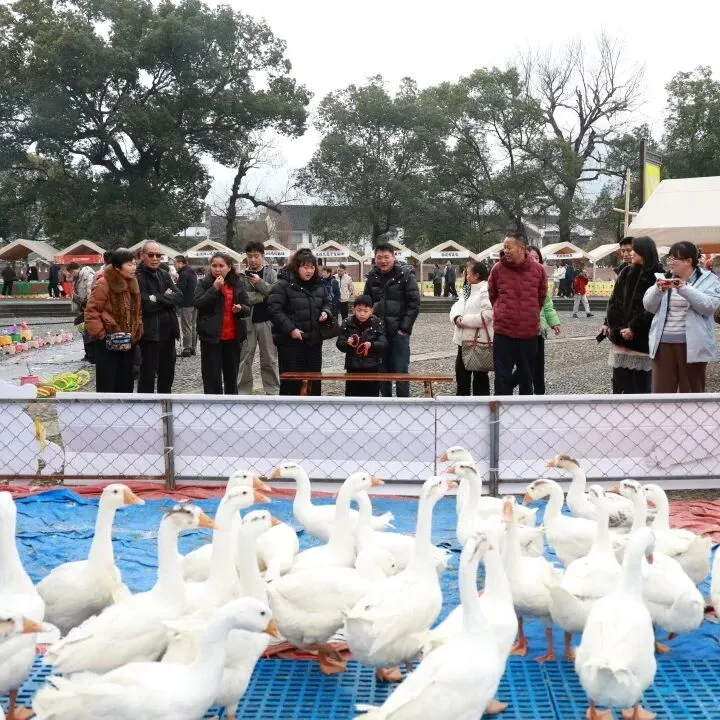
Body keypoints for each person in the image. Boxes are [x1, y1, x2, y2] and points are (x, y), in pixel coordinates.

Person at [644, 241, 720, 393]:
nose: (670, 262)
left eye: (674, 258)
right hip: (663, 343)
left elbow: (709, 307)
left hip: (694, 344)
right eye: (669, 258)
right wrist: (658, 290)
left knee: (692, 392)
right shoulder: (663, 278)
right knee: (662, 392)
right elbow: (648, 306)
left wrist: (683, 288)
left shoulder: (708, 279)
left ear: (688, 261)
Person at [487, 231, 547, 395]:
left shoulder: (538, 270)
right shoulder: (497, 269)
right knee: (502, 377)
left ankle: (524, 409)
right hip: (503, 332)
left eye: (509, 247)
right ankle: (502, 408)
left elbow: (541, 296)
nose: (505, 251)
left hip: (528, 333)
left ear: (521, 248)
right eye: (504, 247)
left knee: (526, 377)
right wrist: (501, 311)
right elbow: (492, 294)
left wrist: (530, 313)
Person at [268, 249, 332, 396]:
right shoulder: (282, 285)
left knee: (313, 381)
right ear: (296, 267)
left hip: (314, 341)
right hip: (291, 343)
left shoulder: (318, 284)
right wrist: (291, 329)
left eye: (312, 267)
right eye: (305, 267)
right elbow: (274, 310)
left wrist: (326, 312)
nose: (309, 271)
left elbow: (328, 302)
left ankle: (314, 408)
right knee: (292, 383)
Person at [604, 237, 663, 394]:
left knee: (641, 386)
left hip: (642, 339)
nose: (630, 254)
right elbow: (614, 302)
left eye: (633, 250)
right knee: (620, 385)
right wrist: (618, 328)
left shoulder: (658, 276)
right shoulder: (626, 272)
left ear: (644, 252)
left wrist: (633, 328)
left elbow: (654, 308)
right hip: (621, 339)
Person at [363, 241, 420, 397]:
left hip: (399, 332)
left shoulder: (405, 275)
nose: (383, 261)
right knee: (382, 371)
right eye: (379, 257)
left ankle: (403, 404)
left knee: (401, 370)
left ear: (393, 256)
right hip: (379, 332)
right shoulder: (372, 277)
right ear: (375, 258)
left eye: (386, 257)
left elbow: (414, 304)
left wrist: (404, 328)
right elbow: (366, 303)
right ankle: (385, 403)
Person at [84, 248, 143, 393]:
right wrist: (102, 335)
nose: (134, 268)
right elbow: (91, 312)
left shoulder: (133, 283)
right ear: (117, 267)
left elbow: (138, 311)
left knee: (126, 382)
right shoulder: (103, 283)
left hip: (128, 342)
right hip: (107, 342)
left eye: (134, 264)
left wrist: (137, 330)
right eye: (129, 264)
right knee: (108, 383)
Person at [193, 252, 252, 395]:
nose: (217, 269)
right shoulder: (204, 283)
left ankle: (232, 405)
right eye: (214, 266)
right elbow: (198, 303)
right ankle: (213, 405)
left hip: (233, 338)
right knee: (212, 377)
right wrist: (214, 289)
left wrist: (240, 308)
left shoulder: (237, 283)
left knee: (231, 377)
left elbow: (247, 307)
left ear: (229, 267)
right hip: (211, 338)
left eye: (221, 266)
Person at [135, 240, 182, 393]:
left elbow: (179, 296)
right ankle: (145, 405)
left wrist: (156, 297)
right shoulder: (138, 277)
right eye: (151, 255)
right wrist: (165, 297)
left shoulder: (164, 274)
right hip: (149, 335)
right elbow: (146, 305)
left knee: (167, 373)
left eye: (158, 255)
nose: (155, 258)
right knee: (147, 374)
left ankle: (165, 402)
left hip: (168, 332)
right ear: (142, 256)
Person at [237, 241, 280, 395]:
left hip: (267, 321)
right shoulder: (241, 276)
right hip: (247, 322)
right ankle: (243, 392)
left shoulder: (272, 274)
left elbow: (275, 293)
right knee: (245, 359)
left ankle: (272, 391)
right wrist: (262, 295)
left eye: (256, 256)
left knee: (269, 359)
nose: (253, 260)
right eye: (250, 256)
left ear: (262, 256)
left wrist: (259, 283)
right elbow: (242, 297)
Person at [449, 261, 493, 396]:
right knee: (461, 378)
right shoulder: (467, 288)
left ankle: (480, 406)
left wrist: (464, 320)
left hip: (478, 341)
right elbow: (457, 305)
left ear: (477, 275)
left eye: (468, 273)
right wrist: (456, 317)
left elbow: (487, 316)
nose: (466, 276)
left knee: (480, 379)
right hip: (462, 341)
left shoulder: (486, 289)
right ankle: (462, 405)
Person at [336, 295, 387, 397]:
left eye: (366, 311)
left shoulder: (377, 323)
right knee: (352, 396)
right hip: (353, 366)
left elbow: (384, 343)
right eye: (359, 310)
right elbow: (339, 343)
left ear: (371, 311)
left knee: (371, 396)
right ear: (353, 310)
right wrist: (347, 343)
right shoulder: (347, 323)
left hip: (372, 366)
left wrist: (372, 344)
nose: (362, 314)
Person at [526, 246, 560, 395]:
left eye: (537, 258)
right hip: (522, 330)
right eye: (531, 257)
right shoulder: (519, 277)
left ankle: (540, 394)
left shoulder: (542, 277)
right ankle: (524, 393)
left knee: (539, 364)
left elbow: (547, 303)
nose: (534, 260)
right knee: (525, 365)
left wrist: (554, 322)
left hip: (539, 329)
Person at [66, 261, 97, 363]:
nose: (72, 274)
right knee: (84, 331)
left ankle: (92, 355)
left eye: (72, 272)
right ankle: (88, 354)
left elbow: (90, 291)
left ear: (76, 269)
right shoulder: (77, 278)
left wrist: (88, 305)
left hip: (88, 307)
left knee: (89, 332)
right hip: (82, 307)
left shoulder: (88, 276)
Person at [174, 255, 198, 358]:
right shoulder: (192, 271)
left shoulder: (183, 273)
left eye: (175, 263)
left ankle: (187, 348)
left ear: (181, 263)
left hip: (186, 303)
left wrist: (172, 288)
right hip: (194, 302)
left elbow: (180, 288)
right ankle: (193, 348)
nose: (174, 266)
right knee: (193, 326)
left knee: (186, 326)